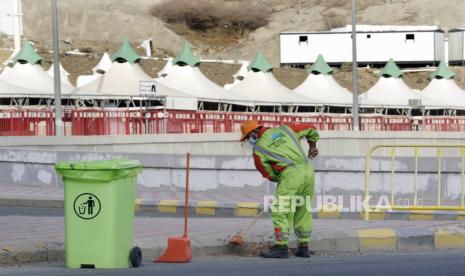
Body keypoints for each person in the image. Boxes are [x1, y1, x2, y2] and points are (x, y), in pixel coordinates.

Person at [239, 120, 319, 258]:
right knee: (303, 209)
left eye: (247, 137)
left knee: (281, 210)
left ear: (253, 132)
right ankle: (304, 247)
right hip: (308, 171)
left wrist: (283, 178)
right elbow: (311, 128)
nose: (248, 141)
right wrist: (312, 146)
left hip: (289, 175)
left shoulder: (258, 149)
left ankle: (281, 247)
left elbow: (267, 172)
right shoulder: (287, 129)